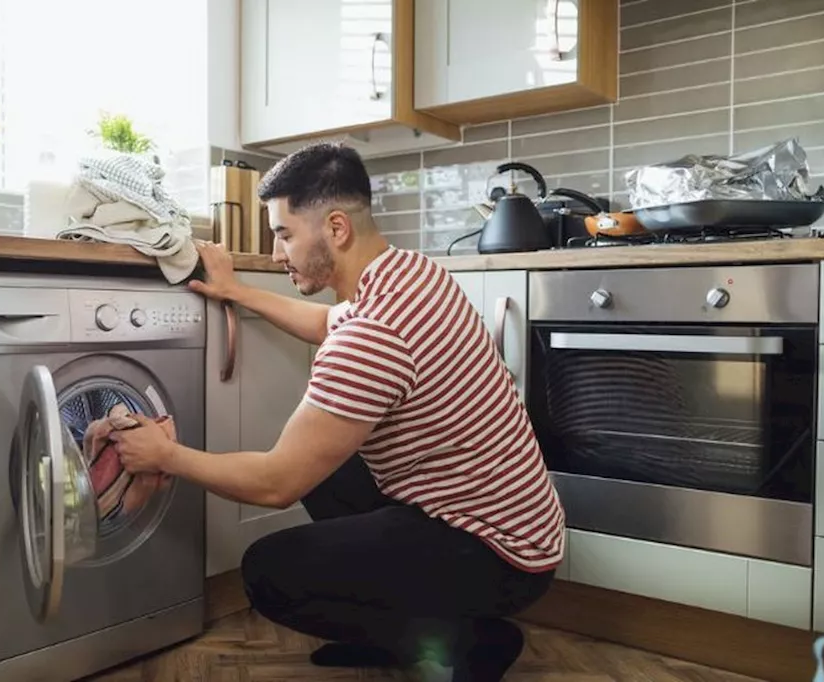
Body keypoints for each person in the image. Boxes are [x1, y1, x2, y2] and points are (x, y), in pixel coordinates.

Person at [109, 142, 564, 682]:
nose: (278, 253)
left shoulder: (374, 336)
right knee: (326, 475)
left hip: (500, 555)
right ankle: (407, 629)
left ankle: (469, 641)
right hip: (518, 524)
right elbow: (326, 323)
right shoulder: (410, 274)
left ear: (337, 228)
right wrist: (238, 291)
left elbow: (276, 483)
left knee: (269, 573)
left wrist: (166, 455)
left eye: (284, 234)